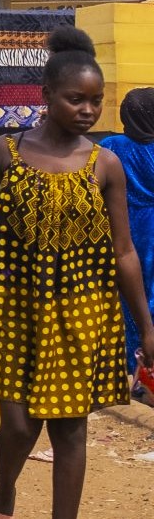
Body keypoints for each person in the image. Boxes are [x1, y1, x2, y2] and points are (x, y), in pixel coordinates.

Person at [0, 28, 154, 519]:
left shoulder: (105, 164)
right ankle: (6, 487)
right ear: (46, 95)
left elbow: (125, 251)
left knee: (70, 430)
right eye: (75, 99)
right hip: (9, 305)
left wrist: (147, 328)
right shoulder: (4, 153)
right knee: (15, 424)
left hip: (82, 311)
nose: (87, 110)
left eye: (95, 101)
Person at [96, 88, 154, 370]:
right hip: (150, 232)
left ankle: (131, 365)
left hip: (119, 225)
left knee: (126, 293)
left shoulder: (111, 145)